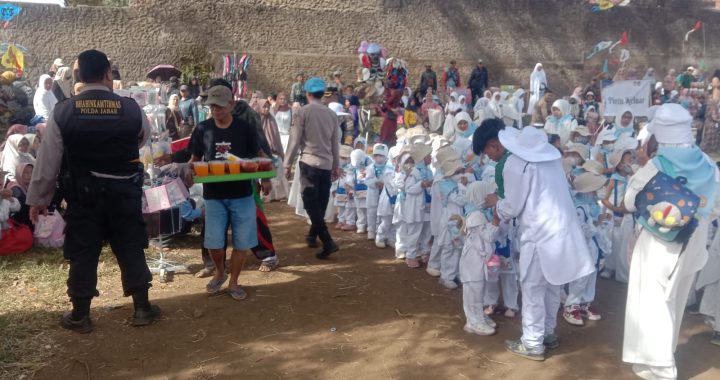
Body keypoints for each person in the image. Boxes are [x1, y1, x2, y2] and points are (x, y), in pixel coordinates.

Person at [26, 49, 160, 333]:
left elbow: (48, 162)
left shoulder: (63, 111)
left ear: (78, 76)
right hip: (124, 193)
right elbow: (142, 138)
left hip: (83, 196)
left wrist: (38, 199)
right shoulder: (131, 108)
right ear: (108, 74)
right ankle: (143, 308)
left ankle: (80, 315)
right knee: (130, 245)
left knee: (83, 251)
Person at [476, 121, 594, 361]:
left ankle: (531, 342)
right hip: (561, 232)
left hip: (539, 235)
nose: (488, 157)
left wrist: (494, 203)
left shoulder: (515, 163)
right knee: (552, 285)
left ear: (493, 145)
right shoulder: (550, 161)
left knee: (532, 289)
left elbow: (512, 206)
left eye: (486, 152)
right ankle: (547, 333)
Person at [622, 103, 719, 380]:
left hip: (658, 242)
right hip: (694, 241)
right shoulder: (709, 164)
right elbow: (715, 208)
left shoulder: (656, 165)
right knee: (674, 299)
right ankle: (660, 356)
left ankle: (661, 367)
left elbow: (629, 202)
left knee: (655, 301)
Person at [189, 85, 269, 300]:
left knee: (242, 242)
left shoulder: (245, 128)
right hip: (213, 195)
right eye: (212, 106)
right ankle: (220, 272)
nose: (216, 110)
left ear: (231, 105)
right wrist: (188, 172)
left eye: (220, 106)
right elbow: (195, 159)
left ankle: (233, 282)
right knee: (214, 242)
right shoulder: (202, 129)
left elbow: (259, 154)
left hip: (242, 194)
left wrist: (266, 178)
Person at [284, 77, 341, 259]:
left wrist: (287, 164)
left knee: (309, 201)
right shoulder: (332, 115)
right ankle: (311, 235)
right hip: (325, 164)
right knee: (321, 202)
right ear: (322, 94)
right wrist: (336, 166)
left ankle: (327, 240)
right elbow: (335, 144)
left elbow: (294, 141)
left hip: (308, 162)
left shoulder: (303, 112)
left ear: (307, 94)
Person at [462, 180, 500, 335]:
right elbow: (489, 236)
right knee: (474, 291)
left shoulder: (477, 213)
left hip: (477, 260)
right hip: (473, 261)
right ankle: (473, 321)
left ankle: (478, 317)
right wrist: (497, 220)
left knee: (478, 289)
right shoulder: (477, 216)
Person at [256, 99, 289, 201]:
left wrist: (279, 150)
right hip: (259, 151)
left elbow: (276, 137)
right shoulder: (255, 121)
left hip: (272, 150)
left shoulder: (271, 120)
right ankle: (264, 195)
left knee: (276, 172)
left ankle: (277, 195)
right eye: (264, 107)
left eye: (268, 107)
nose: (266, 109)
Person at [7, 163, 33, 228]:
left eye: (32, 172)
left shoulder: (29, 186)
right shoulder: (15, 189)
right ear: (19, 173)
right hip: (19, 225)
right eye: (26, 173)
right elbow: (24, 207)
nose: (30, 175)